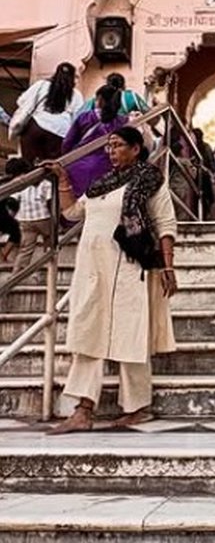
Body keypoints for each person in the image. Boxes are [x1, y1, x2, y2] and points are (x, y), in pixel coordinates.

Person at [45, 126, 178, 434]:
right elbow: (72, 213)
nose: (111, 151)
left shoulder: (150, 180)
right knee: (88, 333)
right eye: (109, 146)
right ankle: (83, 409)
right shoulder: (100, 185)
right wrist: (63, 179)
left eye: (117, 145)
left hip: (130, 270)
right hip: (93, 271)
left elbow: (165, 224)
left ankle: (137, 407)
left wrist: (169, 268)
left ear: (135, 148)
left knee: (129, 338)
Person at [62, 84, 127, 197]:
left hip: (79, 171)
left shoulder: (84, 118)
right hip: (109, 172)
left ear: (99, 99)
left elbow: (67, 144)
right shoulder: (123, 121)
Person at [12, 62, 84, 163]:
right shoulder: (76, 95)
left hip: (36, 127)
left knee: (28, 164)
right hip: (60, 133)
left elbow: (21, 101)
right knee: (50, 167)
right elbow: (78, 118)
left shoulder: (41, 85)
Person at [10, 158, 53, 276]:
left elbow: (13, 201)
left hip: (25, 219)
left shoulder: (20, 184)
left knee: (26, 249)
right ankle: (47, 268)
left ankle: (16, 273)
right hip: (43, 217)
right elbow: (50, 202)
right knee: (50, 242)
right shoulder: (46, 184)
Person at [80, 72, 150, 116]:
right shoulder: (130, 97)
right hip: (122, 134)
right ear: (124, 86)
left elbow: (80, 116)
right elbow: (148, 113)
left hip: (102, 135)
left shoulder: (97, 99)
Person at [0, 158, 23, 263]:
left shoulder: (5, 181)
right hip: (3, 214)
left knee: (15, 232)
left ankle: (3, 256)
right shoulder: (13, 182)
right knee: (15, 232)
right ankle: (2, 256)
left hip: (4, 213)